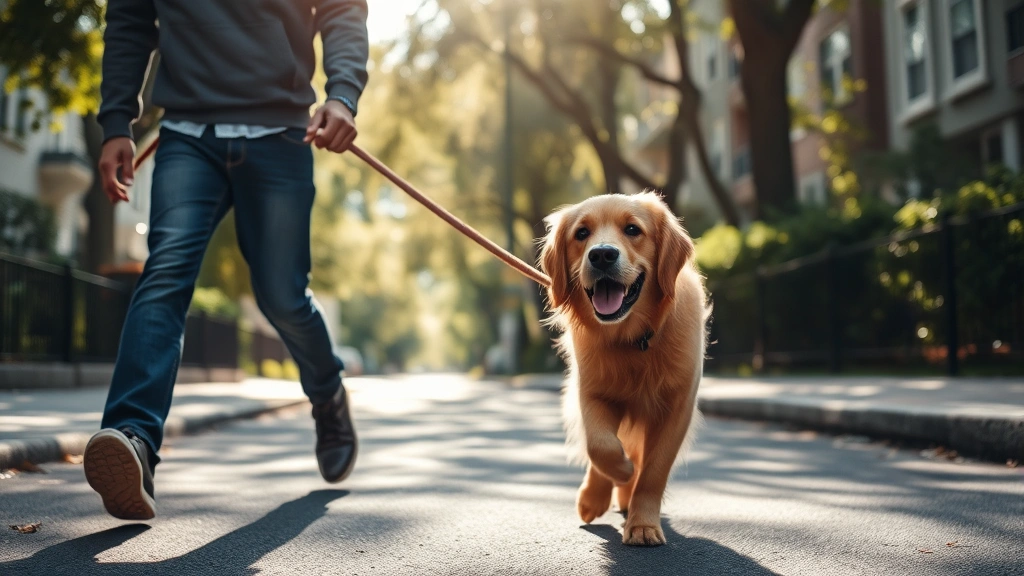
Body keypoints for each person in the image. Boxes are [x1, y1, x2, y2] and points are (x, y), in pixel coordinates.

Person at [83, 0, 368, 520]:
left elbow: (342, 8)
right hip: (188, 134)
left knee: (282, 296)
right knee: (166, 272)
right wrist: (117, 120)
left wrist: (343, 95)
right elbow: (128, 17)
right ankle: (134, 437)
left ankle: (327, 393)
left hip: (281, 135)